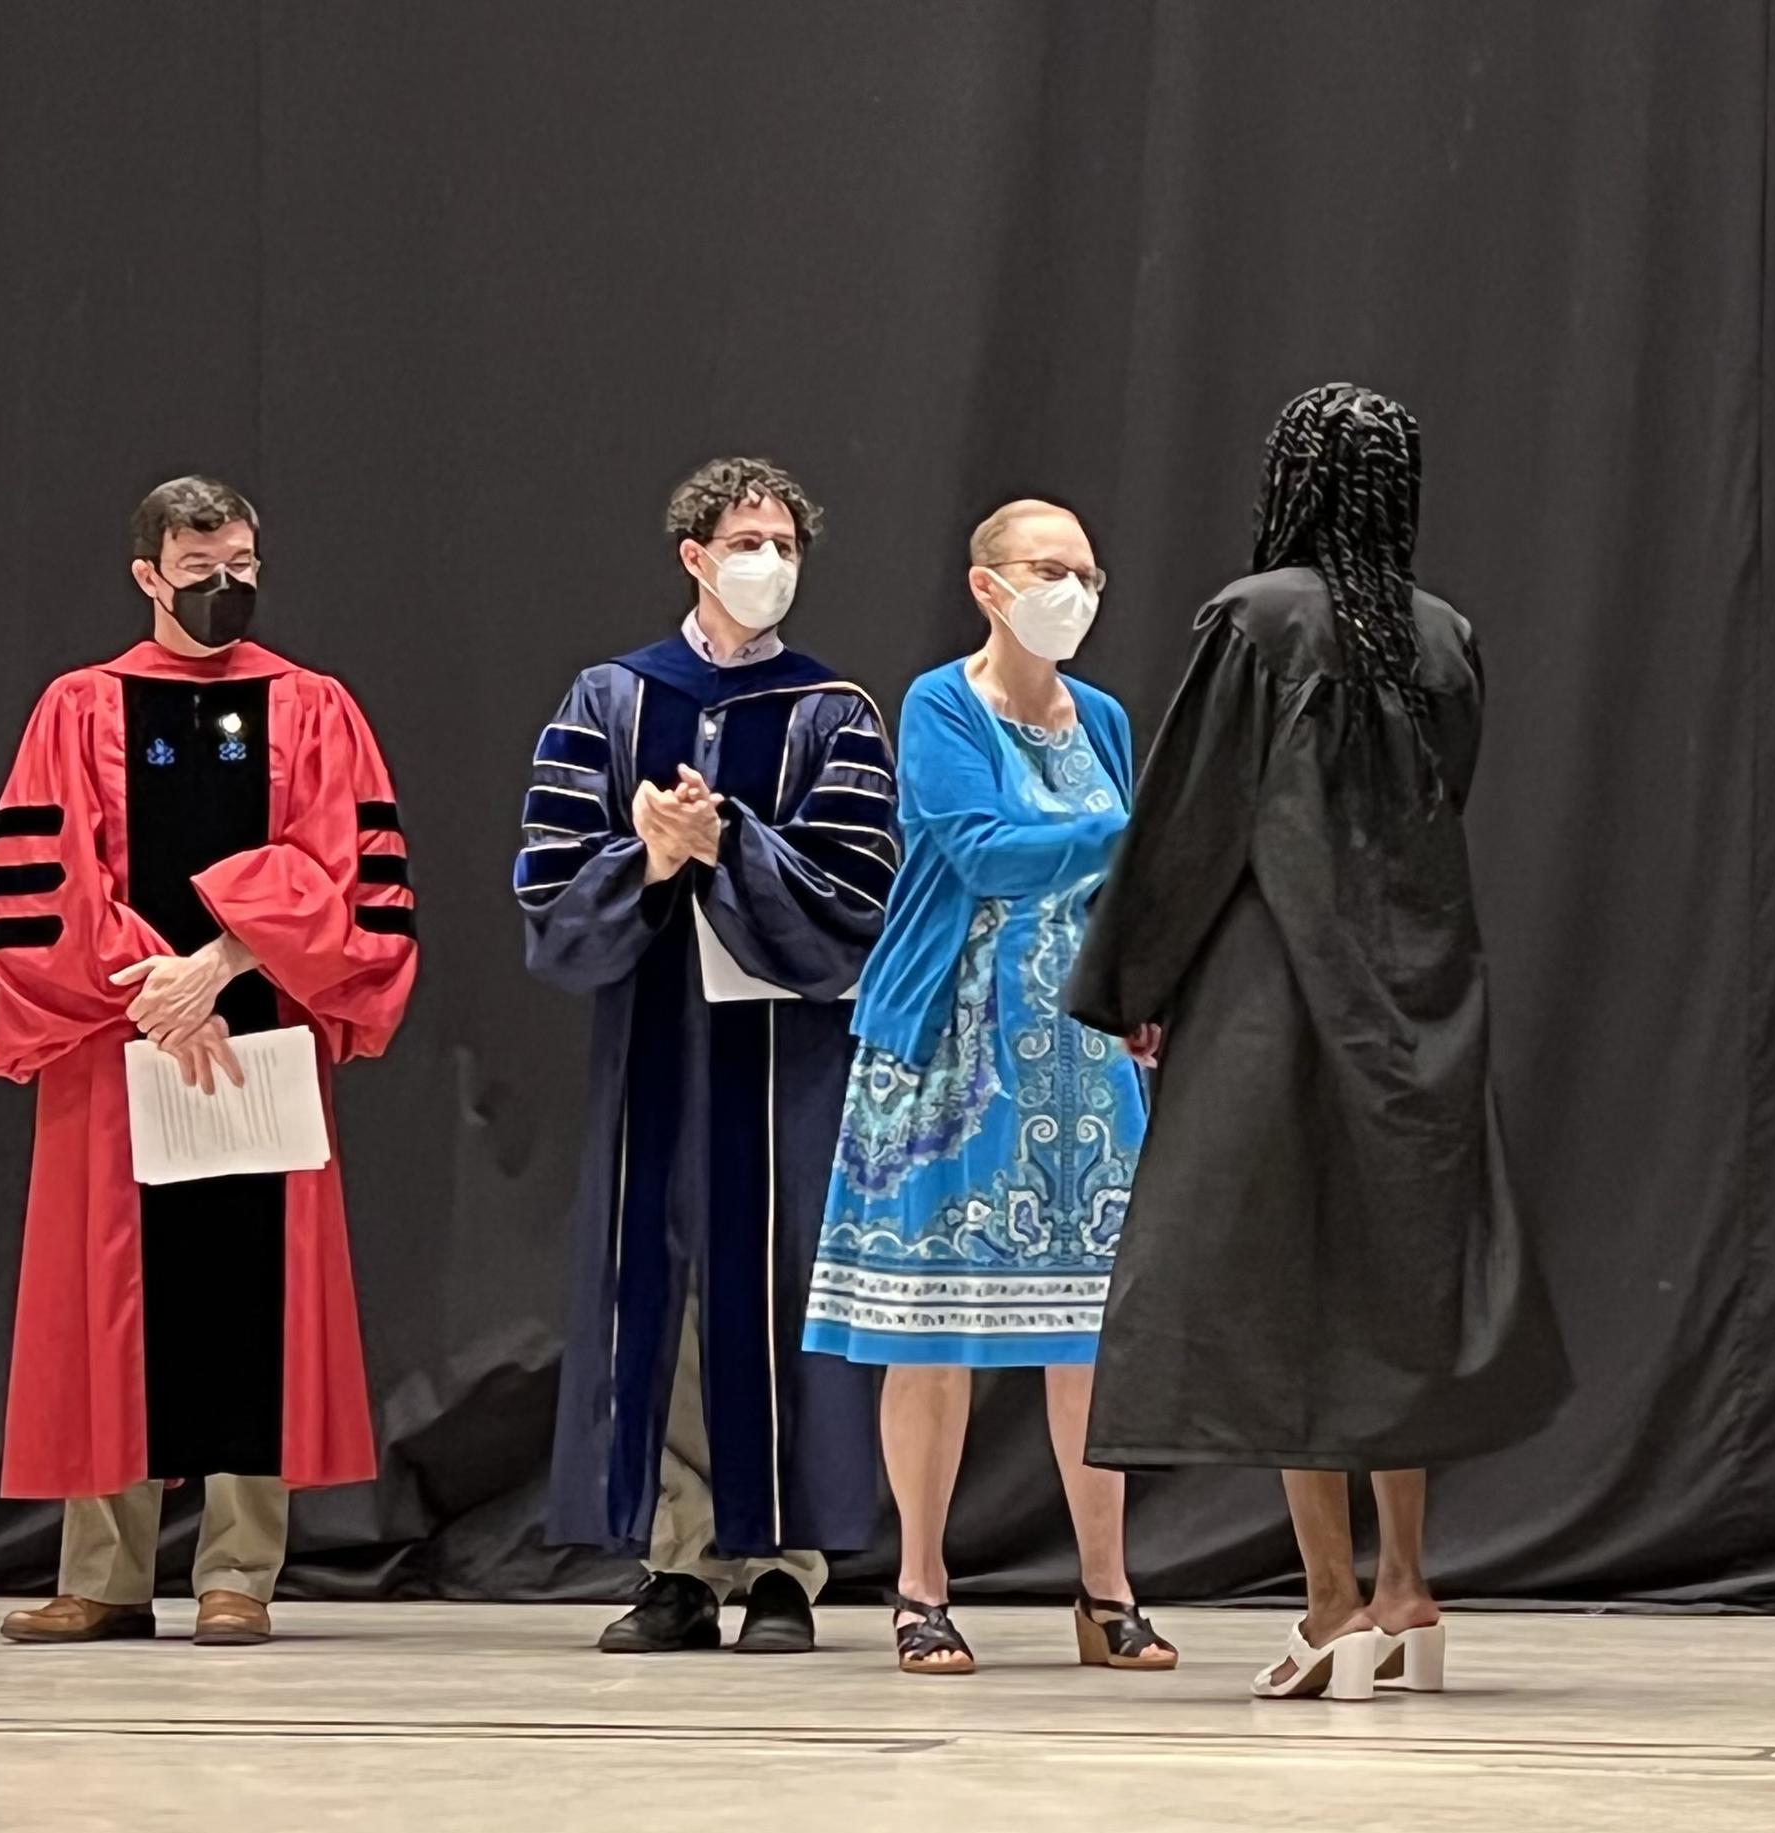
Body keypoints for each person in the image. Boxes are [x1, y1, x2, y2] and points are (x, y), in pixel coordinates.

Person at [1067, 383, 1570, 1702]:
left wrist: (1133, 983)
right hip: (1420, 988)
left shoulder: (1257, 622)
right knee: (1396, 1291)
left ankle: (1333, 1603)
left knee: (1285, 1293)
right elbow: (1442, 801)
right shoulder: (1444, 636)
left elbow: (1192, 816)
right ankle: (1411, 1588)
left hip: (1275, 990)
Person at [0, 476, 418, 1647]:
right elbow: (46, 892)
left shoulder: (314, 707)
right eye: (200, 569)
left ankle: (239, 1570)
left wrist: (216, 968)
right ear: (148, 575)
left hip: (256, 1034)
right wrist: (159, 988)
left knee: (252, 1300)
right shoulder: (76, 708)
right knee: (106, 1298)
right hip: (115, 1038)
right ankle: (108, 1577)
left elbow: (347, 882)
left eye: (244, 567)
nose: (225, 588)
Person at [517, 456, 896, 1654]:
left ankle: (785, 1564)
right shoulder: (610, 701)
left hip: (787, 1046)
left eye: (785, 542)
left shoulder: (835, 710)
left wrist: (725, 844)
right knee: (664, 1290)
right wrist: (653, 862)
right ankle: (679, 1559)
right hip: (660, 1039)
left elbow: (857, 889)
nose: (768, 562)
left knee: (784, 1287)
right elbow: (550, 883)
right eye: (747, 539)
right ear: (694, 553)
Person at [802, 498, 1175, 1678]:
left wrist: (1147, 983)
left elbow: (1129, 889)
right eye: (1047, 568)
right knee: (934, 1330)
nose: (1072, 589)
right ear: (988, 584)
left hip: (1085, 1054)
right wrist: (1134, 828)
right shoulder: (938, 704)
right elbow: (979, 848)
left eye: (1086, 571)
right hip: (957, 1050)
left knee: (1092, 1337)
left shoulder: (1104, 717)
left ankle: (1107, 1587)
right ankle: (921, 1585)